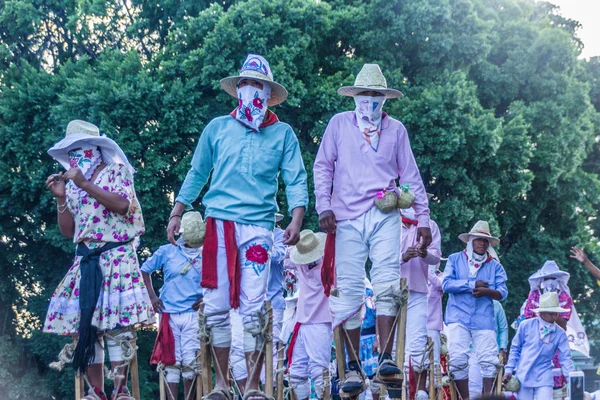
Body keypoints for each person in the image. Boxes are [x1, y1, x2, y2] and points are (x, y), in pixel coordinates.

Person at [166, 54, 309, 400]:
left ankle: (254, 386)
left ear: (267, 92)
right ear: (237, 91)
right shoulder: (217, 128)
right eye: (244, 84)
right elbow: (197, 172)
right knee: (214, 306)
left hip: (259, 229)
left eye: (256, 85)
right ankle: (220, 384)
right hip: (218, 227)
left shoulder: (283, 134)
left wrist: (296, 218)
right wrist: (177, 211)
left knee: (254, 305)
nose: (249, 90)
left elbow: (295, 178)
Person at [314, 63, 432, 396]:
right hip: (346, 216)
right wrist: (324, 206)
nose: (370, 101)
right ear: (354, 96)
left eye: (376, 95)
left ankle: (384, 360)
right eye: (365, 94)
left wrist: (422, 219)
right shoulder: (339, 124)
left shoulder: (396, 130)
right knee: (349, 289)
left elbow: (410, 176)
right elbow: (323, 166)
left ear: (384, 98)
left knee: (386, 284)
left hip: (385, 212)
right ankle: (350, 367)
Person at [44, 120, 154, 400]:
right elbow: (69, 231)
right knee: (87, 327)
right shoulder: (72, 186)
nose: (76, 156)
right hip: (86, 258)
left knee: (118, 326)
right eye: (71, 151)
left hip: (116, 256)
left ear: (96, 148)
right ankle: (96, 392)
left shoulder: (117, 171)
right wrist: (62, 198)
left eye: (80, 148)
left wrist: (83, 183)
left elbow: (122, 205)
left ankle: (121, 389)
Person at [142, 212, 205, 400]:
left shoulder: (209, 253)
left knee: (190, 361)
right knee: (171, 361)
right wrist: (152, 298)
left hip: (194, 313)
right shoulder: (167, 250)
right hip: (168, 312)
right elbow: (145, 271)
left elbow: (219, 280)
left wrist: (206, 298)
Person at [442, 220, 508, 399]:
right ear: (470, 241)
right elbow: (446, 284)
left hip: (483, 319)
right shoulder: (455, 259)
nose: (481, 243)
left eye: (485, 241)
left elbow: (503, 293)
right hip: (458, 317)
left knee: (489, 362)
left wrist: (487, 291)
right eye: (478, 240)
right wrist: (471, 284)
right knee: (457, 361)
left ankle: (488, 397)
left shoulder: (495, 266)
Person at [230, 213, 288, 395]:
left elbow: (280, 253)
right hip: (241, 302)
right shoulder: (241, 233)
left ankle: (269, 394)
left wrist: (259, 247)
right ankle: (248, 394)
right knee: (237, 349)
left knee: (270, 352)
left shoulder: (279, 234)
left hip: (271, 302)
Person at [513, 260, 574, 397]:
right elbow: (528, 318)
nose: (550, 281)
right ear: (542, 279)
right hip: (533, 344)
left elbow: (563, 323)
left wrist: (550, 312)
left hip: (552, 345)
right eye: (547, 278)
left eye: (553, 278)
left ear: (558, 279)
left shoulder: (564, 297)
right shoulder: (534, 294)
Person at [399, 207, 441, 400]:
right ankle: (395, 394)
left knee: (416, 349)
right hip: (390, 291)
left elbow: (436, 256)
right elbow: (378, 259)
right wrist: (403, 256)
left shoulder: (430, 226)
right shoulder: (388, 223)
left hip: (417, 291)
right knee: (390, 351)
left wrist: (424, 253)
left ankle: (417, 393)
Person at [285, 230, 333, 400]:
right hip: (302, 322)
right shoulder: (300, 263)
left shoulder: (330, 265)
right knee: (296, 372)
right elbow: (280, 257)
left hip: (321, 322)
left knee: (319, 371)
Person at [503, 292, 574, 400]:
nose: (555, 316)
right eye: (551, 313)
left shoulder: (560, 334)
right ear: (541, 313)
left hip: (544, 376)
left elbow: (566, 359)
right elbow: (515, 349)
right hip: (524, 374)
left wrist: (572, 380)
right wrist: (509, 370)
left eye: (556, 313)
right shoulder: (525, 325)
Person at [468, 300, 508, 399]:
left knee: (490, 391)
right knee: (474, 390)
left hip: (492, 352)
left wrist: (503, 348)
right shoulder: (468, 303)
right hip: (473, 351)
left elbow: (503, 328)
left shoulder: (496, 305)